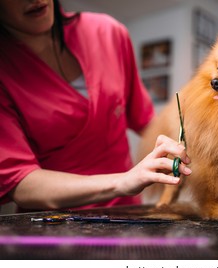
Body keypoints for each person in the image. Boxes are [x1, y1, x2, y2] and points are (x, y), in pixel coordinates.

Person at [0, 0, 191, 211]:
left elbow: (147, 123)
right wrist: (124, 181)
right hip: (55, 225)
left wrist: (193, 145)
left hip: (125, 212)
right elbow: (21, 183)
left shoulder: (109, 32)